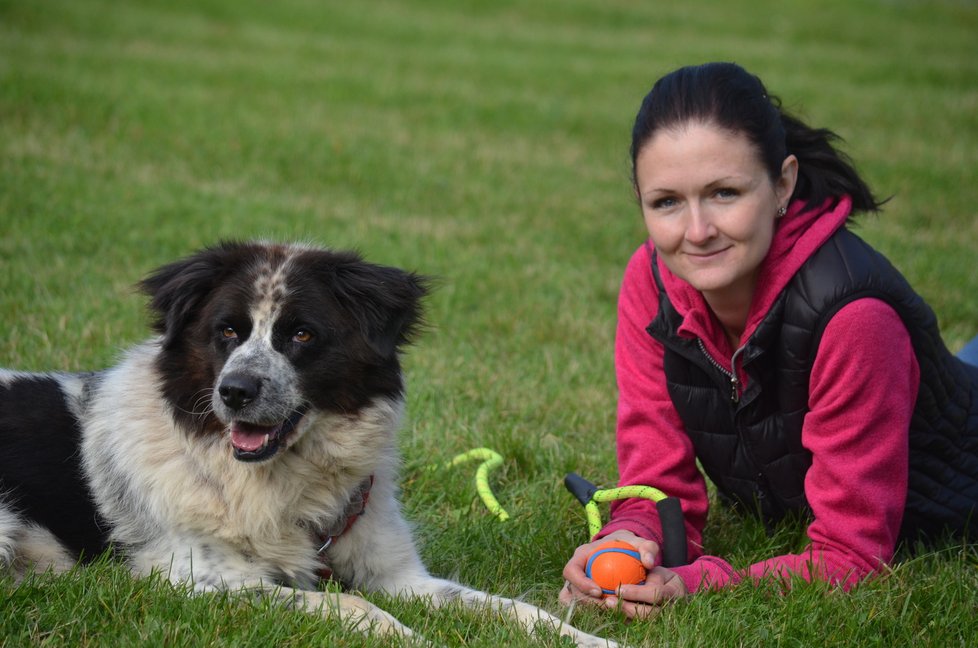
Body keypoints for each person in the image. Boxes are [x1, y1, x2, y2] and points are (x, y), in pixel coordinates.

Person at [560, 62, 978, 618]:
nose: (698, 230)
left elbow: (850, 556)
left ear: (783, 183)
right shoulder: (651, 281)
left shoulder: (854, 319)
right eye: (666, 202)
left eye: (725, 193)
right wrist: (626, 541)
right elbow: (655, 486)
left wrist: (698, 584)